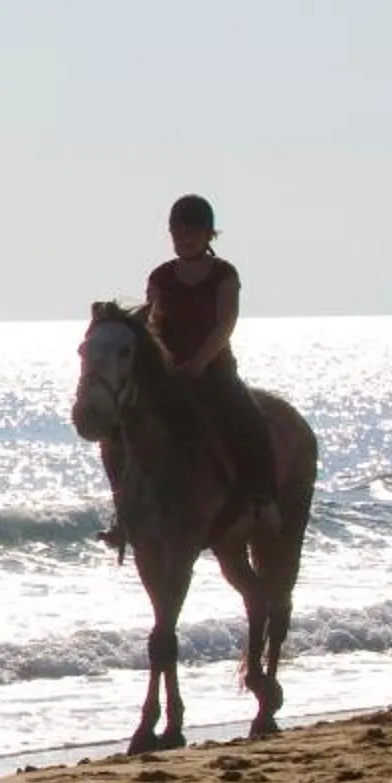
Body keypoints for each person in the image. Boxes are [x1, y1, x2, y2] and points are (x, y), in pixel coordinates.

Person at [141, 193, 280, 531]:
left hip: (214, 370)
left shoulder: (224, 275)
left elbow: (225, 323)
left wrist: (200, 362)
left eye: (191, 231)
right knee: (129, 425)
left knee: (249, 421)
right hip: (170, 373)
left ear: (207, 234)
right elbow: (151, 325)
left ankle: (263, 500)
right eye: (177, 230)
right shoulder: (160, 278)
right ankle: (126, 513)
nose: (183, 237)